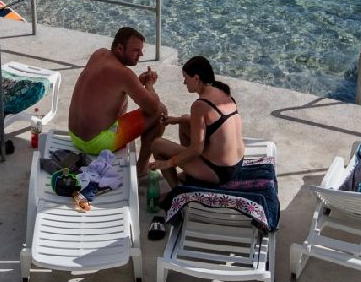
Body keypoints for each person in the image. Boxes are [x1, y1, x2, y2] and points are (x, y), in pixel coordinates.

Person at [67, 27, 168, 174]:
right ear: (120, 48)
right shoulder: (123, 73)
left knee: (128, 97)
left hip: (74, 135)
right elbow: (153, 107)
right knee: (161, 111)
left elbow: (105, 86)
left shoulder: (99, 54)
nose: (141, 54)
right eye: (136, 50)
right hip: (95, 143)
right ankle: (142, 169)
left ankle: (140, 166)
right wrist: (149, 85)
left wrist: (136, 83)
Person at [149, 56, 244, 189]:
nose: (184, 83)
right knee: (184, 121)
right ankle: (190, 173)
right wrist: (178, 120)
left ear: (196, 78)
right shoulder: (222, 91)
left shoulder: (200, 105)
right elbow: (215, 121)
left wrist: (169, 163)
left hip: (219, 172)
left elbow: (196, 149)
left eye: (185, 78)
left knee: (157, 144)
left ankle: (177, 191)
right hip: (237, 163)